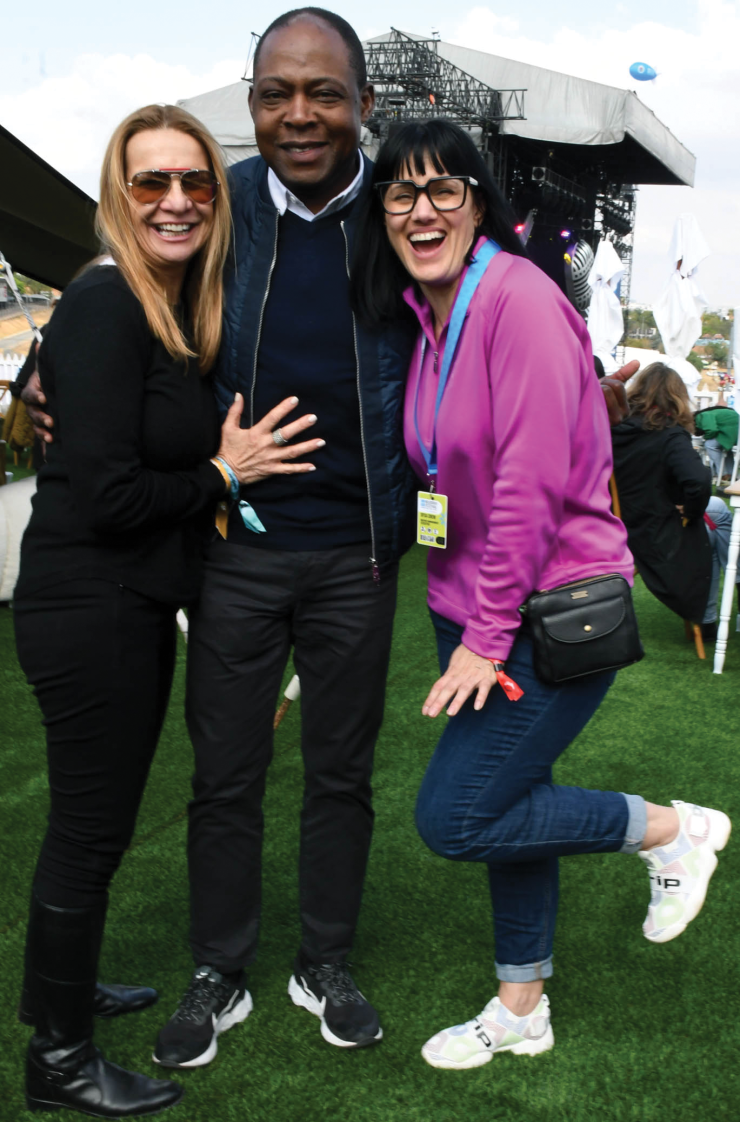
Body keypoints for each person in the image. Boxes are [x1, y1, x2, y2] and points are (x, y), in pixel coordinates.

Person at [352, 118, 731, 1070]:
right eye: (401, 192)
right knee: (512, 806)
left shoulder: (516, 298)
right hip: (469, 608)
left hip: (539, 616)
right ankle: (522, 1007)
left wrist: (484, 637)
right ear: (382, 212)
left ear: (477, 202)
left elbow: (526, 486)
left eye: (444, 189)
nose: (422, 209)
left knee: (455, 816)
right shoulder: (431, 316)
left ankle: (671, 832)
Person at [13, 103, 322, 1118]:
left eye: (195, 182)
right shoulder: (110, 302)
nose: (177, 200)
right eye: (152, 182)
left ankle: (58, 995)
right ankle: (59, 1061)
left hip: (123, 604)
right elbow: (110, 498)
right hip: (90, 607)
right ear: (120, 194)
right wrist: (224, 473)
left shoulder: (160, 308)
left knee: (89, 827)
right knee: (88, 834)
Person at [145, 9, 419, 1068]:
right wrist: (44, 372)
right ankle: (219, 970)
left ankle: (323, 961)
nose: (298, 114)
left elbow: (484, 306)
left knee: (339, 773)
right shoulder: (216, 208)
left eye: (323, 93)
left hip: (357, 553)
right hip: (237, 548)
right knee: (225, 772)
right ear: (253, 101)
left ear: (363, 104)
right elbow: (134, 289)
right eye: (276, 94)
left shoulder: (400, 214)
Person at [612, 362, 732, 639]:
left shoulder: (615, 428)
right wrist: (690, 511)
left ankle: (712, 611)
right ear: (677, 397)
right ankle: (719, 603)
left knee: (715, 522)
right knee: (720, 516)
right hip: (656, 525)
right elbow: (698, 481)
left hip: (618, 519)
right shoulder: (669, 433)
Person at [693, 403, 739, 483]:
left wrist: (706, 438)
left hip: (730, 432)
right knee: (726, 449)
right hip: (735, 434)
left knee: (709, 445)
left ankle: (723, 474)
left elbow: (711, 430)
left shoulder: (702, 416)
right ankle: (732, 475)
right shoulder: (711, 412)